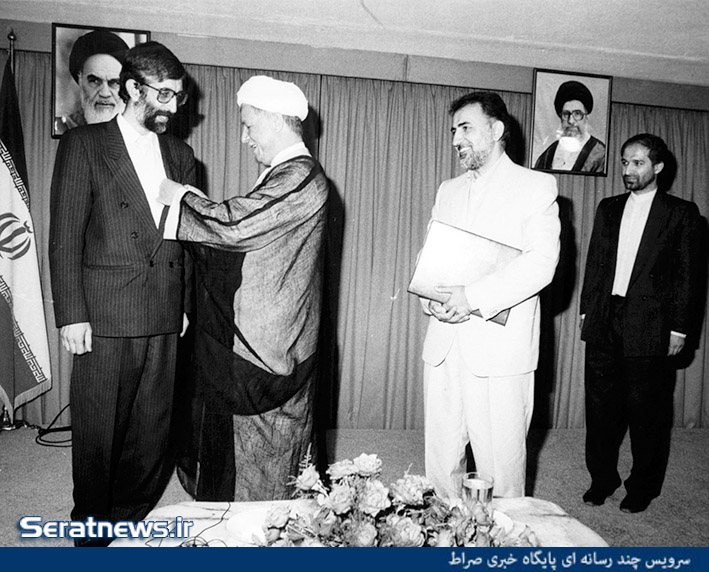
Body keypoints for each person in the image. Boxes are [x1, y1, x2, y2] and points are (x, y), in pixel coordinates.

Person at [48, 41, 195, 546]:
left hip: (163, 311)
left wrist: (184, 306)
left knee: (152, 430)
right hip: (105, 314)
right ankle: (91, 532)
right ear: (134, 89)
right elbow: (65, 235)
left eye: (178, 96)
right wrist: (71, 314)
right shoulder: (85, 144)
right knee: (98, 432)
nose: (173, 106)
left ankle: (128, 523)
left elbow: (185, 239)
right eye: (164, 94)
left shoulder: (182, 155)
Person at [157, 75, 328, 502]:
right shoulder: (285, 174)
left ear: (275, 119)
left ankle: (261, 530)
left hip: (269, 348)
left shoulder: (300, 175)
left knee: (269, 455)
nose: (244, 137)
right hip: (268, 337)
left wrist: (180, 197)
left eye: (249, 125)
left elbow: (235, 227)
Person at [419, 92, 560, 499]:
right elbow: (431, 256)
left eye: (465, 128)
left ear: (496, 130)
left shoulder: (536, 186)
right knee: (441, 459)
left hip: (499, 350)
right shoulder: (448, 190)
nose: (455, 139)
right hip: (445, 344)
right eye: (453, 130)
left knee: (500, 468)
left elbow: (541, 264)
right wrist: (429, 295)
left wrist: (471, 297)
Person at [580, 133, 702, 513]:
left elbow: (688, 277)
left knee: (646, 412)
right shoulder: (608, 208)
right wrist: (587, 310)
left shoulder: (681, 213)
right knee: (600, 409)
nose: (628, 170)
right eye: (624, 162)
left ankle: (642, 487)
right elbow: (595, 262)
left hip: (651, 324)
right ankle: (602, 479)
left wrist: (679, 328)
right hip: (605, 319)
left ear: (658, 167)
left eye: (637, 163)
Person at [54, 29, 129, 135]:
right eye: (95, 81)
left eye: (114, 83)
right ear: (80, 80)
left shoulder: (136, 131)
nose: (105, 93)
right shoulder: (65, 128)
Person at [534, 80, 606, 173]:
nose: (571, 121)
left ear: (586, 117)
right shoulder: (549, 153)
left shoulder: (600, 153)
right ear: (561, 117)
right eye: (566, 114)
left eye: (577, 114)